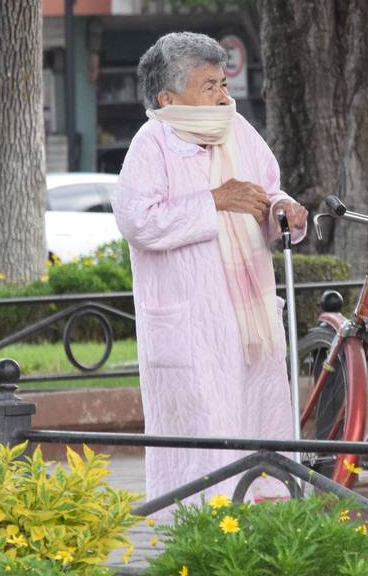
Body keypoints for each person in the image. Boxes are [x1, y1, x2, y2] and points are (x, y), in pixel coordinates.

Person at [110, 32, 309, 508]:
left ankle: (268, 527)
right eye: (209, 86)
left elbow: (267, 190)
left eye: (223, 84)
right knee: (202, 436)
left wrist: (284, 210)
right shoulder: (151, 142)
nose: (223, 96)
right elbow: (137, 221)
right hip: (191, 329)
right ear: (168, 97)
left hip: (249, 325)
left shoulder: (239, 130)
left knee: (261, 422)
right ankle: (201, 536)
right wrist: (215, 201)